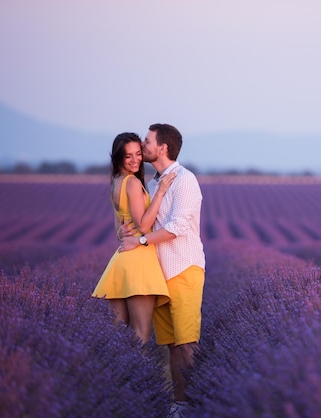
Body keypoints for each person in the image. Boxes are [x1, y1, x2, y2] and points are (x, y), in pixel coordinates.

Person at [119, 123, 206, 412]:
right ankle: (179, 405)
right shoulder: (153, 183)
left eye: (147, 140)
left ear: (163, 147)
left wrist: (141, 240)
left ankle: (192, 405)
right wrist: (127, 231)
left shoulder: (185, 180)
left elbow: (178, 226)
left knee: (186, 343)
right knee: (170, 344)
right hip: (158, 273)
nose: (143, 145)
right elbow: (143, 221)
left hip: (184, 268)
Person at [92, 132, 176, 344]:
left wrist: (122, 232)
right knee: (141, 334)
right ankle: (138, 377)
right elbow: (144, 225)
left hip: (121, 261)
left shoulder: (115, 182)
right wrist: (161, 191)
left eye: (138, 154)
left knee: (117, 336)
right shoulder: (131, 183)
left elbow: (118, 229)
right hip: (139, 261)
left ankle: (117, 376)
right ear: (118, 157)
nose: (135, 160)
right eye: (128, 156)